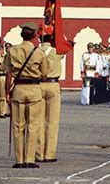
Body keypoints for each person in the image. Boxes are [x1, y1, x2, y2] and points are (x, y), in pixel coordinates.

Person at [4, 22, 48, 169]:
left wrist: (6, 93)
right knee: (33, 125)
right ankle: (30, 159)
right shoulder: (39, 52)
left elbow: (8, 74)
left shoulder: (12, 51)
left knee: (17, 126)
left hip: (18, 90)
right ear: (35, 35)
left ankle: (19, 160)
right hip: (34, 89)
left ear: (21, 35)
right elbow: (44, 75)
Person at [36, 30, 70, 163]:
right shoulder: (57, 52)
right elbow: (67, 43)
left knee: (38, 120)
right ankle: (49, 154)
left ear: (39, 39)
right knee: (52, 121)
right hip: (53, 84)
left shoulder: (35, 52)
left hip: (38, 85)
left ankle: (38, 152)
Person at [0, 42, 8, 118]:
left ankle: (2, 112)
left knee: (3, 95)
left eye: (0, 49)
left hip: (3, 76)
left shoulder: (5, 57)